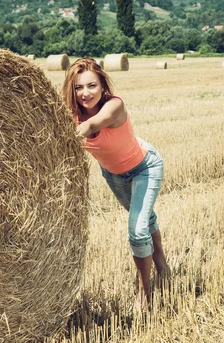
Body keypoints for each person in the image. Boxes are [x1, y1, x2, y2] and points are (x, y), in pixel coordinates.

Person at [62, 57, 171, 310]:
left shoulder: (114, 106)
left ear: (103, 87)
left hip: (145, 168)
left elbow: (91, 125)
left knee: (137, 231)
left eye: (91, 86)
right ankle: (160, 259)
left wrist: (62, 133)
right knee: (145, 219)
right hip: (113, 174)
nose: (85, 93)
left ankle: (144, 292)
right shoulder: (71, 114)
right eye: (78, 88)